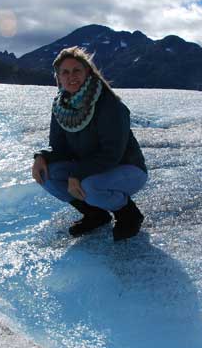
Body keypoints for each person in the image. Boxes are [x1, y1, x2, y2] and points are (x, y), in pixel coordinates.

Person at [32, 46, 148, 241]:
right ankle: (96, 214)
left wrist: (78, 173)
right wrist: (41, 156)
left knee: (90, 186)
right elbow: (59, 148)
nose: (71, 76)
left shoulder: (109, 105)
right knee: (48, 175)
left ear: (87, 72)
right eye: (65, 72)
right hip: (90, 169)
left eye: (77, 70)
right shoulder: (61, 107)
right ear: (58, 78)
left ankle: (128, 213)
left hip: (126, 169)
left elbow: (112, 154)